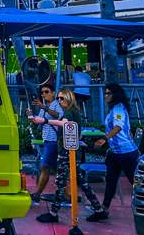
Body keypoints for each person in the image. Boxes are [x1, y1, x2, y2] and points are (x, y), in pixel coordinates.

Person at [31, 88, 109, 223]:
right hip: (70, 150)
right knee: (81, 182)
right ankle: (98, 209)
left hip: (67, 151)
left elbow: (65, 124)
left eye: (63, 98)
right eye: (59, 98)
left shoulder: (69, 112)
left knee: (61, 182)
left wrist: (45, 121)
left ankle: (54, 213)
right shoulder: (73, 111)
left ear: (69, 98)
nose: (60, 101)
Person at [94, 83, 140, 213]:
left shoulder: (118, 109)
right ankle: (104, 208)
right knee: (111, 179)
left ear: (115, 95)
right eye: (105, 93)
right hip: (116, 152)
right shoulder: (115, 109)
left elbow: (118, 127)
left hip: (126, 152)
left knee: (134, 182)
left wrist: (105, 138)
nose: (106, 96)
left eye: (108, 93)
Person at [26, 83, 63, 204]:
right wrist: (30, 116)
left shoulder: (57, 105)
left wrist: (44, 107)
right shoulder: (45, 106)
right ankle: (66, 194)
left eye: (46, 92)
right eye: (42, 92)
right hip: (47, 140)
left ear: (53, 93)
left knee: (44, 167)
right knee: (58, 170)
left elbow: (59, 116)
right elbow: (38, 122)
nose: (44, 94)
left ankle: (38, 194)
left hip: (53, 141)